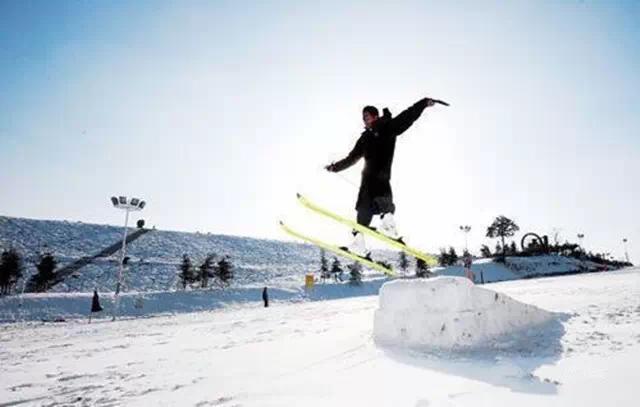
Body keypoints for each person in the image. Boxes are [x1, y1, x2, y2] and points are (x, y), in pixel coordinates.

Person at [325, 97, 438, 257]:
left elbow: (407, 117)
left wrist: (423, 104)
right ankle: (359, 243)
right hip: (367, 179)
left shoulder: (387, 127)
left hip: (381, 176)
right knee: (363, 207)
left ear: (375, 116)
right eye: (363, 118)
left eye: (367, 116)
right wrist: (334, 167)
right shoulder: (364, 138)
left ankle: (388, 223)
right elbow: (352, 158)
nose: (365, 120)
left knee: (381, 188)